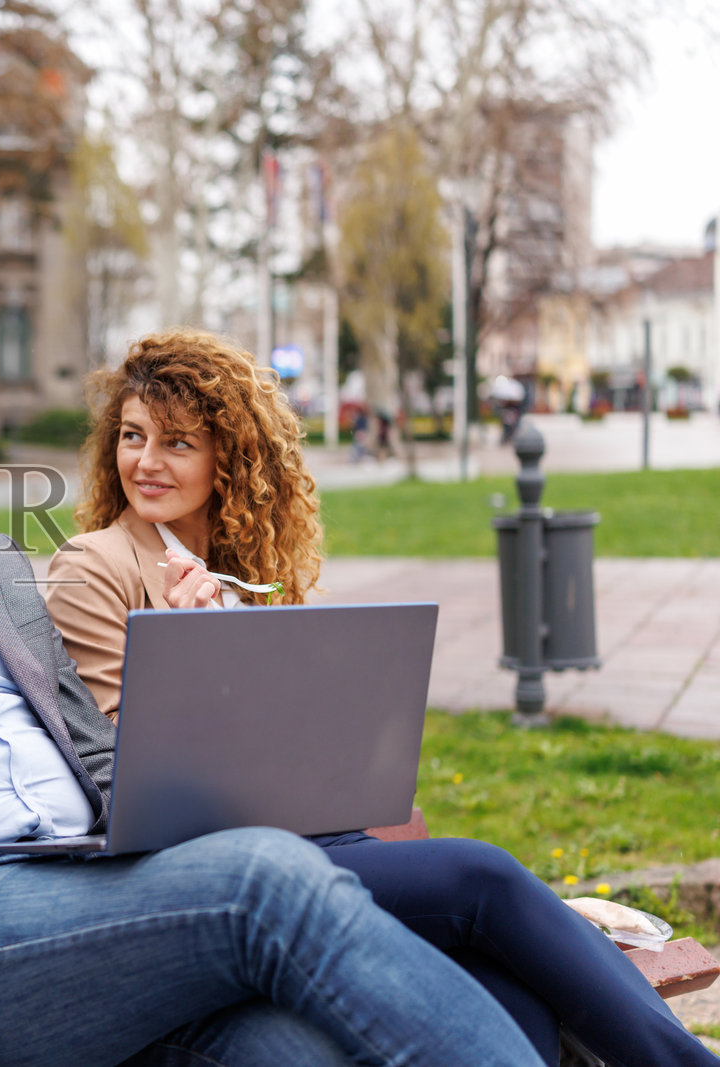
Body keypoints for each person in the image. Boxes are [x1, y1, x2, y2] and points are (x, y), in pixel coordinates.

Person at [0, 310, 546, 1067]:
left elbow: (92, 742)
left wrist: (187, 660)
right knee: (266, 880)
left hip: (89, 882)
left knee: (305, 1050)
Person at [44, 327, 713, 1067]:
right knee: (481, 877)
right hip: (235, 865)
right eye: (133, 436)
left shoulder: (233, 573)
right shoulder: (97, 566)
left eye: (176, 442)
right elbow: (125, 771)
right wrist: (184, 655)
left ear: (227, 458)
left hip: (316, 831)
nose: (146, 460)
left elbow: (281, 738)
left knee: (504, 984)